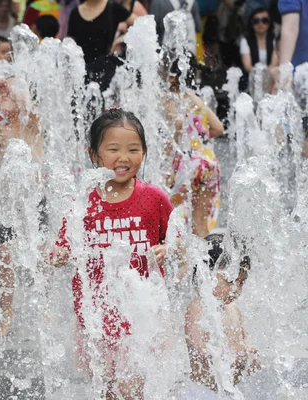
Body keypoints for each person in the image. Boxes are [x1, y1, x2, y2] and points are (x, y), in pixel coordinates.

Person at [49, 108, 172, 399]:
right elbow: (64, 245)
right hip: (96, 314)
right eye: (113, 149)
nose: (124, 158)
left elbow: (179, 239)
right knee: (107, 390)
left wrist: (169, 248)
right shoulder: (85, 202)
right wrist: (58, 254)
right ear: (94, 154)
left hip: (139, 313)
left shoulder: (154, 197)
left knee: (131, 389)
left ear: (144, 152)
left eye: (133, 149)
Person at [0, 74, 44, 337]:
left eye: (9, 95)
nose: (3, 99)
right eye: (2, 96)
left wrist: (15, 90)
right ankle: (6, 313)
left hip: (34, 201)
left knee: (39, 257)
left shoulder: (31, 126)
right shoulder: (0, 130)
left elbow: (29, 109)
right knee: (4, 258)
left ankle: (44, 310)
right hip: (6, 206)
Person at [183, 233, 260, 398]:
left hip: (229, 390)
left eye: (241, 282)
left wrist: (250, 350)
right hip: (202, 391)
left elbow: (245, 337)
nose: (236, 289)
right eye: (230, 281)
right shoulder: (197, 308)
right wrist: (225, 356)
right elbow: (197, 348)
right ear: (206, 276)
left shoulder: (234, 309)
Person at [164, 54, 224, 238]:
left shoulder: (169, 99)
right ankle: (205, 262)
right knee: (200, 223)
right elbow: (218, 128)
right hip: (208, 164)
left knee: (171, 219)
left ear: (173, 76)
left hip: (186, 165)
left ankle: (184, 264)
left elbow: (175, 128)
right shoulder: (196, 99)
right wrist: (199, 139)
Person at [67, 0, 136, 90]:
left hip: (106, 73)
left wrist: (120, 39)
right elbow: (70, 41)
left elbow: (140, 23)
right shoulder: (75, 13)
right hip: (82, 74)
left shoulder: (112, 7)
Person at [240, 7, 278, 74]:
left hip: (271, 77)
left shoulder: (274, 39)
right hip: (252, 78)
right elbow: (247, 67)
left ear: (270, 22)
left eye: (264, 20)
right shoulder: (245, 41)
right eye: (256, 21)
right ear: (251, 23)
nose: (260, 24)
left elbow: (274, 64)